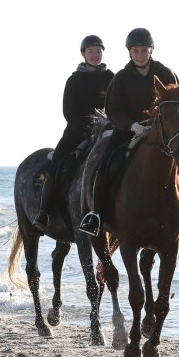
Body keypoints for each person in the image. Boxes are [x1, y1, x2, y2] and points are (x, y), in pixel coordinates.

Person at [78, 28, 179, 236]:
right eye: (136, 51)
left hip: (163, 133)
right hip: (128, 130)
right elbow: (113, 110)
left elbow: (178, 102)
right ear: (130, 52)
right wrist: (133, 126)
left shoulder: (166, 73)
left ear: (151, 51)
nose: (140, 55)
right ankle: (97, 215)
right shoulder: (121, 78)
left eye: (144, 50)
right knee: (107, 162)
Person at [33, 35, 114, 230]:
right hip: (77, 132)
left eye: (98, 51)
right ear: (84, 54)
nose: (95, 55)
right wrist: (85, 129)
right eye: (91, 51)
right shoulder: (74, 80)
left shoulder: (112, 77)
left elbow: (116, 105)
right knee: (56, 164)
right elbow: (68, 112)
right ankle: (43, 212)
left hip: (106, 130)